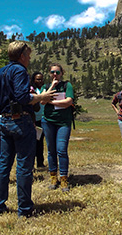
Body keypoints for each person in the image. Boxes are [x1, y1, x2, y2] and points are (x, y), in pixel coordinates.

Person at [0, 41, 55, 217]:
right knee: (24, 166)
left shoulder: (0, 72)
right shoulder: (19, 70)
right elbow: (22, 96)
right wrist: (42, 96)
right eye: (28, 54)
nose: (29, 58)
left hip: (4, 121)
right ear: (21, 56)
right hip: (21, 122)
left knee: (3, 164)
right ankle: (25, 209)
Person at [41, 63, 74, 192]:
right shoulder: (45, 86)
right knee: (51, 150)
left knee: (61, 150)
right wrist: (52, 86)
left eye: (58, 72)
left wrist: (52, 102)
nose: (55, 74)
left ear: (62, 73)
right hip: (48, 121)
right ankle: (53, 176)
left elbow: (68, 101)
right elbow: (42, 101)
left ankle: (64, 177)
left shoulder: (67, 85)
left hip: (63, 122)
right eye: (52, 72)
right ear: (49, 74)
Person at [31, 72, 46, 169]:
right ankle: (31, 163)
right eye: (37, 79)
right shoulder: (31, 89)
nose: (39, 81)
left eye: (41, 79)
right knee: (32, 142)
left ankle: (40, 162)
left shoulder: (44, 89)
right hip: (33, 118)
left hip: (43, 118)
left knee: (40, 142)